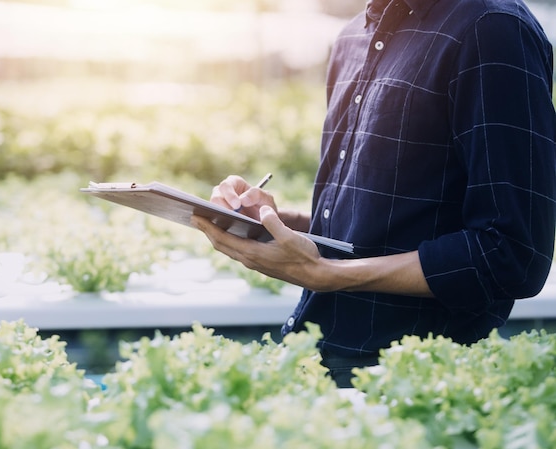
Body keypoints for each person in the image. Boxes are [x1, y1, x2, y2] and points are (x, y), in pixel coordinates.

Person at [191, 0, 556, 388]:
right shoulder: (352, 37)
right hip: (314, 351)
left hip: (413, 380)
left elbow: (512, 254)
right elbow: (373, 221)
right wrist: (272, 223)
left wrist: (328, 274)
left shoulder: (492, 28)